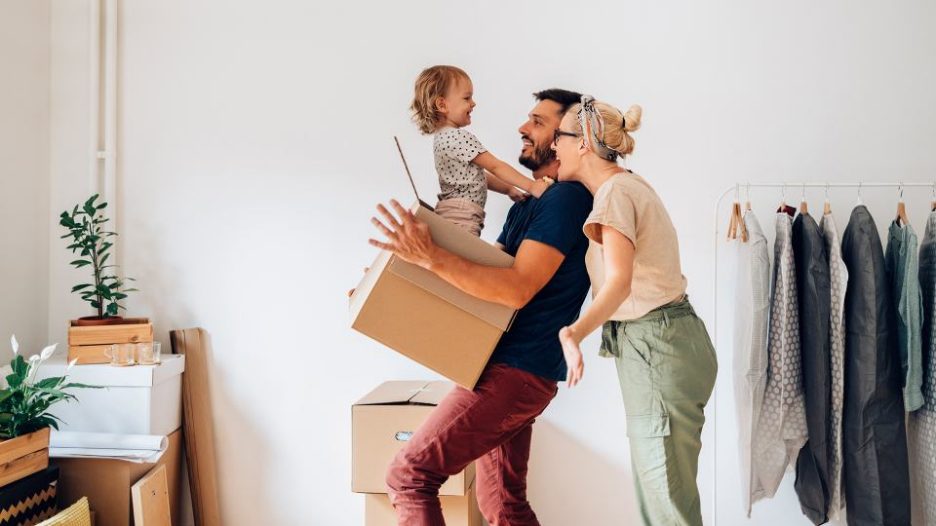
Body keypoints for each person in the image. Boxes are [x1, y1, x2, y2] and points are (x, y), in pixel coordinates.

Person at [369, 89, 588, 525]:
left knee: (410, 475)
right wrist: (396, 276)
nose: (523, 129)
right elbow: (480, 280)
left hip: (515, 371)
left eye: (538, 122)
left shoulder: (568, 199)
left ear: (570, 139)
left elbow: (515, 290)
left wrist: (429, 256)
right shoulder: (533, 202)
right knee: (503, 505)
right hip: (510, 368)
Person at [554, 95, 718, 526]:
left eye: (560, 137)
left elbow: (619, 281)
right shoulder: (628, 185)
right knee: (668, 498)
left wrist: (574, 332)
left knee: (666, 506)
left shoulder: (613, 195)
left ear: (584, 141)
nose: (554, 146)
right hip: (668, 343)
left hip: (657, 348)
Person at [410, 66, 552, 236]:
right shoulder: (458, 137)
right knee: (463, 257)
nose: (473, 103)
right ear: (442, 104)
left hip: (451, 212)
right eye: (466, 98)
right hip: (463, 216)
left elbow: (477, 176)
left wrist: (509, 189)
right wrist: (531, 186)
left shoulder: (442, 138)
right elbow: (495, 166)